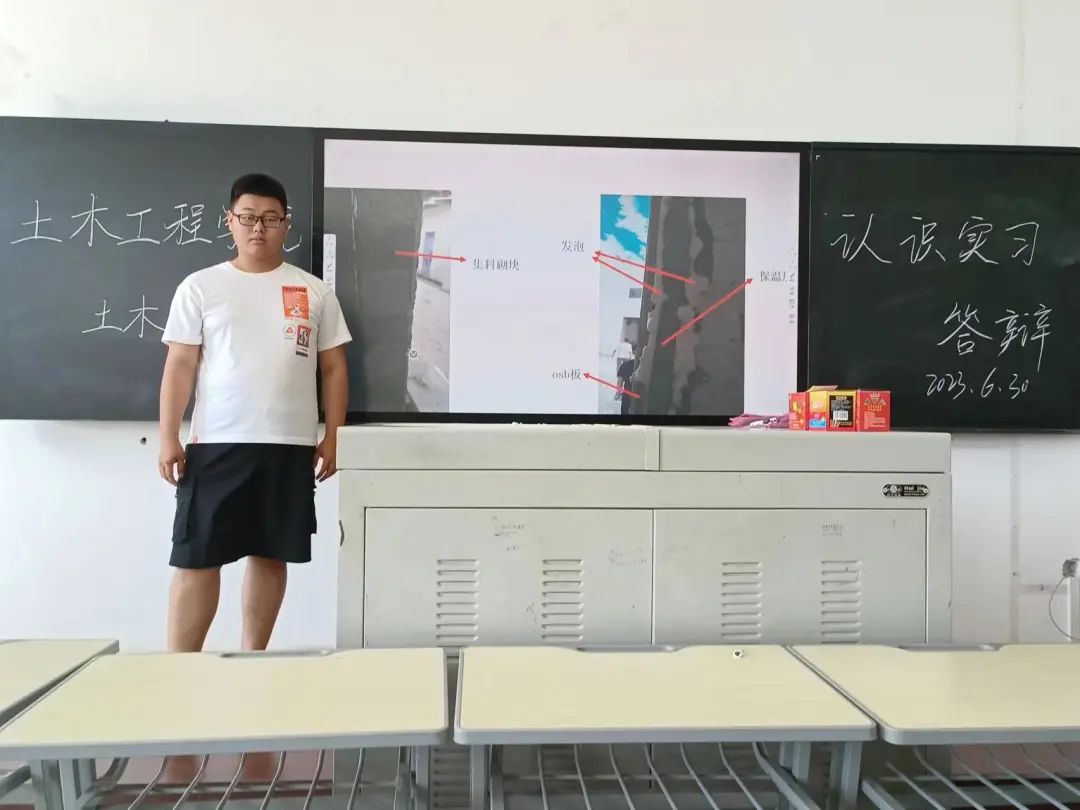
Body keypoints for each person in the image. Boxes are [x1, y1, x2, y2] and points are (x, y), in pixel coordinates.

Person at [157, 173, 351, 653]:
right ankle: (177, 666)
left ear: (286, 224)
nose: (258, 228)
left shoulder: (314, 292)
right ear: (230, 221)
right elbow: (180, 364)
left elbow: (333, 368)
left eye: (269, 218)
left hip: (289, 445)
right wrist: (167, 436)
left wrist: (333, 435)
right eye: (247, 217)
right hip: (216, 443)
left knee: (270, 555)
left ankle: (253, 657)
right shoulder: (201, 287)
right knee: (197, 557)